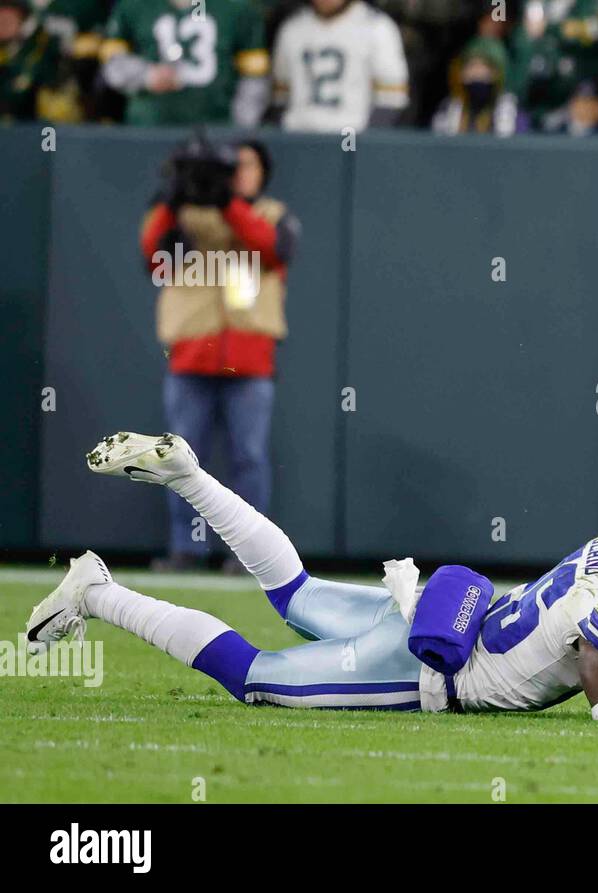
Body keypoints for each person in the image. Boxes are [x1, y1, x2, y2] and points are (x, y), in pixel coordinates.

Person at [27, 432, 598, 721]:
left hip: (439, 612)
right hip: (428, 670)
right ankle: (96, 590)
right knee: (252, 678)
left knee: (297, 594)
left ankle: (188, 479)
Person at [138, 138, 301, 572]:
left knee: (248, 458)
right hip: (192, 355)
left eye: (247, 166)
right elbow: (155, 259)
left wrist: (227, 203)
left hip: (249, 359)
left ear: (263, 172)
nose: (239, 175)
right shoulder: (184, 215)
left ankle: (251, 558)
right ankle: (185, 550)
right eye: (232, 168)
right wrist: (175, 201)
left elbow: (268, 249)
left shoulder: (273, 215)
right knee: (181, 458)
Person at [99, 0, 269, 126]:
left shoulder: (236, 8)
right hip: (149, 127)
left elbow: (254, 77)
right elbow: (113, 64)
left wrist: (240, 126)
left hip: (217, 126)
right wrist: (146, 76)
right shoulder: (135, 6)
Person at [271, 0, 409, 133]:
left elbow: (392, 99)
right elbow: (280, 97)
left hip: (350, 134)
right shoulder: (292, 27)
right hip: (297, 132)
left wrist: (366, 143)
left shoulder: (377, 26)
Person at [0, 0, 58, 121]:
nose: (3, 23)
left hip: (27, 125)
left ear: (22, 20)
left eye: (9, 18)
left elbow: (22, 90)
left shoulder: (37, 47)